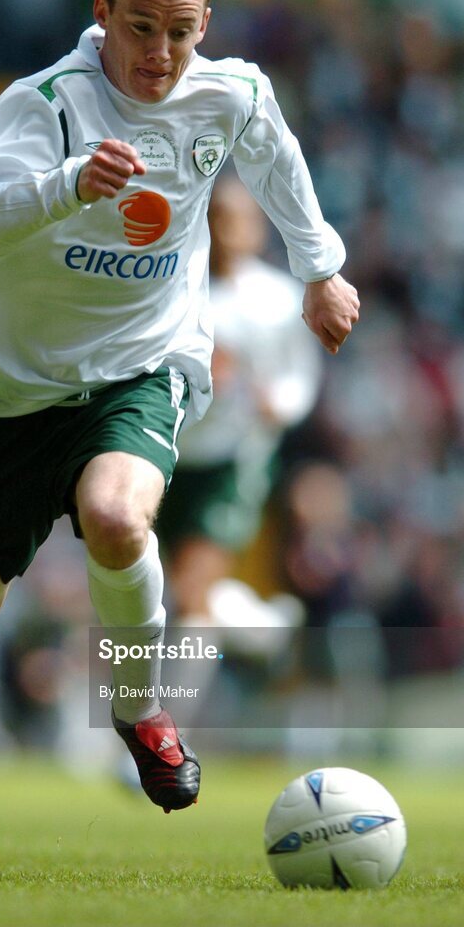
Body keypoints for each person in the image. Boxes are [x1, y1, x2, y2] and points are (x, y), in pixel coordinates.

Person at [0, 0, 359, 874]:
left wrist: (321, 269)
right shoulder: (45, 107)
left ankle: (137, 701)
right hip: (14, 394)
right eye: (142, 28)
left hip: (140, 369)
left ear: (207, 28)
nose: (160, 55)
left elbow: (275, 156)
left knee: (117, 516)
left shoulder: (228, 92)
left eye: (182, 34)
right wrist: (67, 185)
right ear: (103, 16)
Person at [157, 173, 322, 631]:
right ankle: (253, 629)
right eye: (215, 220)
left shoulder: (277, 300)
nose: (226, 231)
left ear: (256, 227)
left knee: (189, 588)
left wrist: (279, 406)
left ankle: (172, 700)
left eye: (236, 220)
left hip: (235, 457)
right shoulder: (172, 293)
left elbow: (300, 377)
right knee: (176, 590)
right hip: (172, 455)